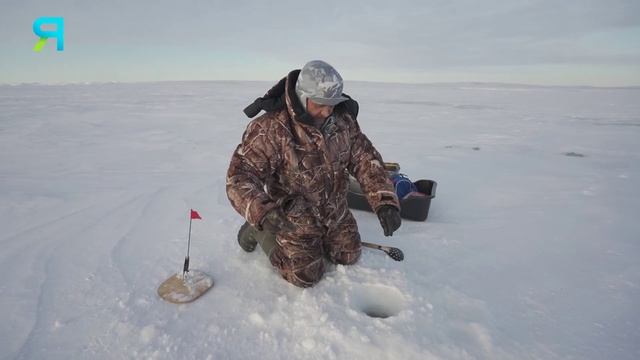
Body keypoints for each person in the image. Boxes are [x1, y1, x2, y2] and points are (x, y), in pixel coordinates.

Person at [226, 60, 401, 288]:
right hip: (290, 217)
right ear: (302, 95)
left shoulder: (342, 121)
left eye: (333, 103)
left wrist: (385, 201)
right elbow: (240, 178)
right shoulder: (270, 128)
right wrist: (263, 213)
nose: (327, 111)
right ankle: (259, 233)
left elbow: (365, 159)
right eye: (320, 104)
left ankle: (321, 238)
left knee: (348, 255)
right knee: (306, 275)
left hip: (334, 210)